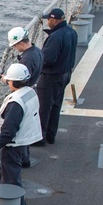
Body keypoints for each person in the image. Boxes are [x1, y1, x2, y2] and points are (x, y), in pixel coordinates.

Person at [0, 63, 43, 205]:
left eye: (9, 81)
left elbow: (8, 132)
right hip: (24, 139)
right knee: (5, 171)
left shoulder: (15, 103)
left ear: (14, 83)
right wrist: (6, 78)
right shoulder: (30, 92)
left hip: (13, 145)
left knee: (12, 179)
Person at [35, 8, 78, 146]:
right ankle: (50, 135)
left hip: (51, 78)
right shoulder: (72, 32)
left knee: (43, 108)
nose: (47, 21)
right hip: (65, 75)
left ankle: (39, 138)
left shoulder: (56, 37)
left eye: (49, 19)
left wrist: (35, 60)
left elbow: (48, 59)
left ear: (54, 20)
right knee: (55, 106)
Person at [8, 26, 42, 169]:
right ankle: (25, 158)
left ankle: (23, 160)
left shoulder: (26, 59)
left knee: (21, 130)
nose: (15, 48)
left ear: (20, 43)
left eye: (15, 45)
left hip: (24, 93)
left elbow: (21, 79)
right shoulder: (36, 51)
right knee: (27, 125)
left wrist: (8, 80)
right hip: (32, 92)